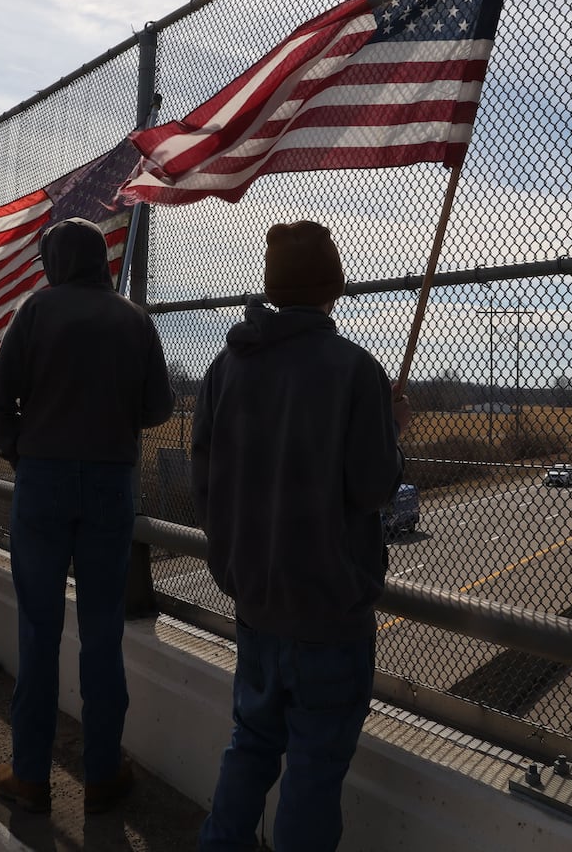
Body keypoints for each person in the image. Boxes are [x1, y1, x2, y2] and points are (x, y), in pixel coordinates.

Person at [192, 221, 409, 852]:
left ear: (271, 285)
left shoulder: (224, 367)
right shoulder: (354, 370)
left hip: (254, 602)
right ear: (335, 286)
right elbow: (373, 487)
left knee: (251, 741)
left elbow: (206, 481)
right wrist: (392, 431)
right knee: (315, 766)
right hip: (328, 613)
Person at [0, 217, 174, 815]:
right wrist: (109, 423)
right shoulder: (135, 318)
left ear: (53, 260)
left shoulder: (36, 312)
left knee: (37, 630)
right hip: (112, 484)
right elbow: (159, 406)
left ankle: (31, 776)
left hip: (43, 482)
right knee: (102, 632)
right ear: (102, 260)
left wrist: (24, 449)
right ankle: (103, 772)